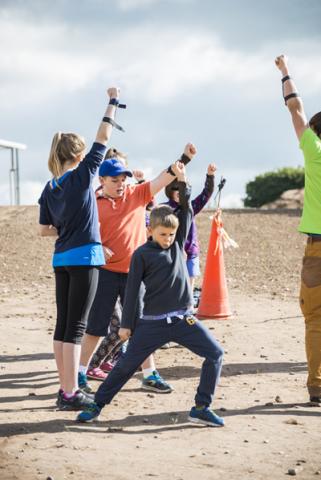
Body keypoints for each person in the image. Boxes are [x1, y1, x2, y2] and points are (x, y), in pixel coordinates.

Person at [77, 159, 225, 427]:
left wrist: (182, 179)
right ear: (150, 231)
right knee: (123, 368)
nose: (168, 239)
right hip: (151, 324)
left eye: (171, 234)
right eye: (162, 234)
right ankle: (96, 405)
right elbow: (132, 292)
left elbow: (188, 210)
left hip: (183, 320)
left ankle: (201, 407)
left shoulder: (177, 244)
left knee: (215, 353)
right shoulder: (141, 255)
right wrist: (126, 325)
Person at [78, 144, 196, 393]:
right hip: (104, 273)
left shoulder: (137, 194)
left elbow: (164, 177)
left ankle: (150, 375)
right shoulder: (91, 202)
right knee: (96, 327)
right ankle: (79, 375)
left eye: (123, 179)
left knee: (143, 325)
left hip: (136, 274)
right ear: (102, 180)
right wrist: (98, 246)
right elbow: (80, 233)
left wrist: (184, 158)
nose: (121, 184)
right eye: (115, 180)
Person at [38, 86, 120, 410]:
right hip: (85, 257)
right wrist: (112, 103)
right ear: (77, 154)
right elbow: (104, 136)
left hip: (61, 258)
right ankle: (71, 392)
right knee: (76, 328)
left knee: (63, 326)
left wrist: (65, 227)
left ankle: (65, 390)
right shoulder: (83, 175)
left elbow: (44, 230)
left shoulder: (50, 186)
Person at [275, 54, 321, 404]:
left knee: (316, 320)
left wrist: (285, 72)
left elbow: (295, 109)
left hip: (317, 247)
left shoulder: (314, 150)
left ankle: (317, 386)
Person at [164, 163, 216, 294]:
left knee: (189, 284)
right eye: (175, 188)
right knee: (173, 285)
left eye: (181, 187)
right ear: (169, 190)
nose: (178, 191)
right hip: (171, 253)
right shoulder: (163, 209)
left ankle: (187, 310)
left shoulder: (191, 207)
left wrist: (210, 176)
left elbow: (206, 193)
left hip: (191, 253)